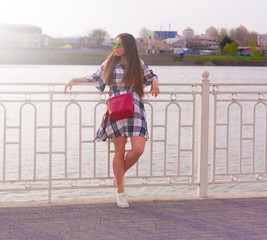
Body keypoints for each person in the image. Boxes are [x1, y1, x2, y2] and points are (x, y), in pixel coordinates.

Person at [64, 33, 159, 208]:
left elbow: (151, 75)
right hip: (116, 109)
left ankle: (118, 176)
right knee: (119, 151)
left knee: (138, 149)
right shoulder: (109, 63)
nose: (115, 46)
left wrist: (155, 82)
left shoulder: (137, 64)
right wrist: (73, 80)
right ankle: (120, 191)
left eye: (119, 44)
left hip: (136, 108)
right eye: (114, 43)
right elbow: (94, 78)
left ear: (128, 47)